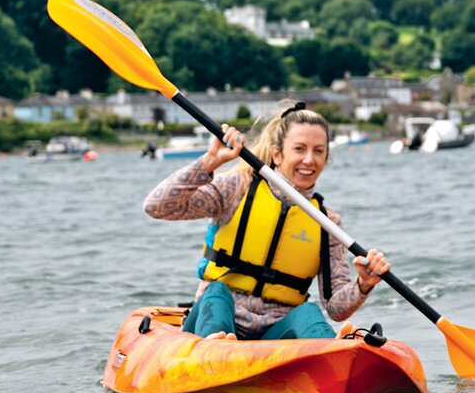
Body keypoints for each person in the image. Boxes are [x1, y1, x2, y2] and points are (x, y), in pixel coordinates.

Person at [143, 101, 390, 340]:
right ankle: (216, 349)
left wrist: (363, 284)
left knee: (309, 312)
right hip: (218, 318)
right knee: (216, 292)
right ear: (277, 154)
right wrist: (210, 162)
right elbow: (157, 206)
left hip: (275, 334)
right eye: (299, 148)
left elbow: (336, 309)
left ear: (326, 158)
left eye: (318, 151)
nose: (309, 159)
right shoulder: (236, 189)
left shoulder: (328, 224)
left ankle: (332, 356)